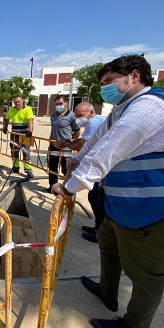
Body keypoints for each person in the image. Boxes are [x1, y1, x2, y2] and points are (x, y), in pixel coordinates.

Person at [51, 55, 164, 328]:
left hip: (163, 214)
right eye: (102, 84)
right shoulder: (123, 109)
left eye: (110, 82)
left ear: (134, 76)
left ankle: (134, 327)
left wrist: (70, 186)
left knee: (145, 275)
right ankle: (107, 292)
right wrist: (77, 160)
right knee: (107, 244)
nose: (105, 89)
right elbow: (97, 142)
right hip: (129, 208)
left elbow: (109, 151)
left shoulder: (151, 108)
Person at [55, 101, 105, 243]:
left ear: (90, 112)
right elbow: (86, 144)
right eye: (76, 115)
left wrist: (66, 144)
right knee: (95, 197)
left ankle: (100, 232)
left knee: (97, 198)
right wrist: (76, 157)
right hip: (100, 165)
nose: (77, 118)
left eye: (80, 115)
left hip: (100, 167)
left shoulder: (93, 122)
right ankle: (98, 227)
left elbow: (83, 145)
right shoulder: (99, 120)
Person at [46, 94, 80, 191]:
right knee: (52, 167)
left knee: (66, 168)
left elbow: (77, 132)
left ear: (66, 103)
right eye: (56, 104)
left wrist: (70, 142)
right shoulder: (53, 116)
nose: (58, 106)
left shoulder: (72, 116)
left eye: (60, 103)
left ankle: (67, 189)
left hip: (66, 147)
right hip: (53, 145)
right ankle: (52, 187)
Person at [2, 95, 35, 178]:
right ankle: (15, 167)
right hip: (14, 134)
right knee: (14, 151)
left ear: (22, 101)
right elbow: (7, 118)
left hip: (25, 135)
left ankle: (28, 170)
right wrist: (5, 127)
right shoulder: (12, 110)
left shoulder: (27, 109)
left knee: (26, 153)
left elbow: (30, 121)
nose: (17, 103)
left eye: (18, 101)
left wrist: (30, 131)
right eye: (15, 102)